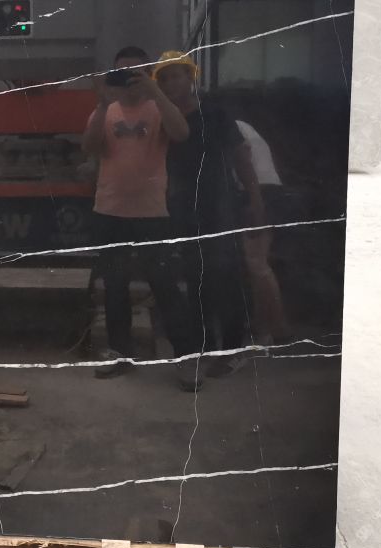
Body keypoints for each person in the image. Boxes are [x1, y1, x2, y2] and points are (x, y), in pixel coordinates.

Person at [81, 46, 201, 390]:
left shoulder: (158, 108)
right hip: (110, 211)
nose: (130, 78)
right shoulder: (106, 110)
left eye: (138, 71)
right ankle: (120, 354)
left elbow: (181, 133)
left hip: (152, 214)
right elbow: (89, 148)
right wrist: (102, 103)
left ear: (148, 73)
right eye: (124, 72)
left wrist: (156, 92)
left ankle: (186, 359)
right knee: (114, 287)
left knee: (165, 285)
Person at [153, 51, 265, 376]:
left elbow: (241, 156)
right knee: (195, 277)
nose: (172, 83)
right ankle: (205, 346)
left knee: (226, 275)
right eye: (165, 78)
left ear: (191, 77)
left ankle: (233, 349)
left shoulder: (214, 114)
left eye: (177, 76)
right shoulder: (163, 119)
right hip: (182, 205)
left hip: (219, 202)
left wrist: (255, 198)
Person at [234, 119, 290, 345]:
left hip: (257, 191)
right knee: (255, 264)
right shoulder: (244, 126)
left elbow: (245, 160)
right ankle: (263, 328)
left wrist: (255, 203)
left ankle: (280, 329)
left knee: (256, 263)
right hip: (263, 190)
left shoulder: (231, 126)